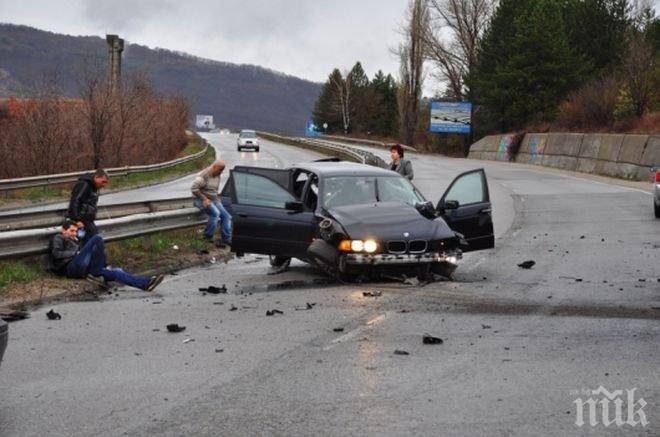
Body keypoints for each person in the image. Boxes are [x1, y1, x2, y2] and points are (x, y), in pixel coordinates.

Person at [49, 220, 164, 291]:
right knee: (97, 238)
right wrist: (76, 252)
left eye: (75, 231)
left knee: (117, 271)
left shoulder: (75, 240)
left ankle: (145, 284)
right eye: (71, 231)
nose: (74, 233)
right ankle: (98, 270)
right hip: (70, 267)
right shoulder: (59, 237)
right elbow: (56, 253)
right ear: (63, 230)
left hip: (82, 267)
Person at [191, 160, 232, 247]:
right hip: (200, 199)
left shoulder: (218, 175)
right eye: (220, 169)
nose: (221, 172)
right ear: (214, 167)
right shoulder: (204, 175)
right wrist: (204, 199)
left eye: (222, 170)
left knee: (227, 216)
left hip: (213, 199)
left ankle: (226, 239)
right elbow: (194, 189)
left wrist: (217, 199)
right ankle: (207, 236)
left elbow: (214, 190)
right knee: (215, 213)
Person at [66, 168, 109, 243]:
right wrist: (76, 220)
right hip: (81, 221)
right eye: (103, 182)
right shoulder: (84, 184)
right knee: (91, 242)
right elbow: (75, 201)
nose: (104, 185)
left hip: (87, 220)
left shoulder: (93, 187)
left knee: (93, 242)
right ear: (96, 177)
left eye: (105, 183)